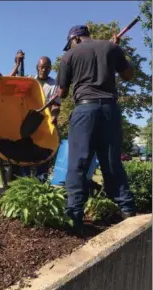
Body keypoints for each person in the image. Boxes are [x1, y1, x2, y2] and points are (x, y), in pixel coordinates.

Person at [56, 25, 136, 232]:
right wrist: (115, 51)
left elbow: (62, 92)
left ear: (75, 39)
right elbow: (128, 74)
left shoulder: (70, 55)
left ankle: (74, 217)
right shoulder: (110, 48)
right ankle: (128, 212)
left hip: (85, 110)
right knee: (111, 162)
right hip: (110, 110)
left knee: (78, 163)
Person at [10, 51, 61, 182]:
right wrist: (17, 63)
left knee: (42, 155)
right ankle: (24, 182)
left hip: (44, 123)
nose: (44, 70)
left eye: (47, 67)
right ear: (37, 68)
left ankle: (40, 182)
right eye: (42, 67)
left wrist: (54, 116)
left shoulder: (55, 84)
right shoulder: (29, 81)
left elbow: (56, 105)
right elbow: (11, 81)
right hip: (27, 123)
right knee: (25, 155)